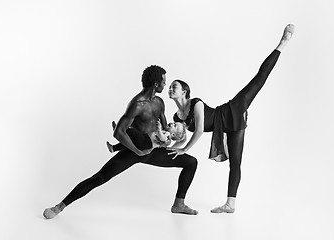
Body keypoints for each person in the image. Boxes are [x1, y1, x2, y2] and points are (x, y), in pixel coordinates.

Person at [167, 24, 295, 213]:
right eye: (170, 87)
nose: (170, 89)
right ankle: (230, 205)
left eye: (174, 86)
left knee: (258, 79)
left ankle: (282, 43)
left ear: (184, 91)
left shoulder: (196, 103)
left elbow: (200, 130)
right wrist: (173, 145)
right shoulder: (176, 116)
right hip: (229, 128)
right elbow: (180, 136)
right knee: (234, 163)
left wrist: (185, 148)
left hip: (232, 111)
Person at [43, 65, 199, 219]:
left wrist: (170, 139)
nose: (166, 85)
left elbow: (165, 127)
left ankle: (179, 204)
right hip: (135, 150)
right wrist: (138, 152)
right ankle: (59, 207)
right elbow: (119, 132)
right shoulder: (137, 104)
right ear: (156, 84)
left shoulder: (159, 102)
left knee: (191, 162)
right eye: (164, 82)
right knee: (100, 177)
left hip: (153, 149)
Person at [106, 120, 187, 153]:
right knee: (130, 141)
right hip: (145, 141)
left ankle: (119, 130)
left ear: (173, 134)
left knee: (133, 132)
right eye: (174, 122)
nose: (172, 123)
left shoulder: (167, 136)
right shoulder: (165, 132)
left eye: (175, 125)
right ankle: (113, 148)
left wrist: (159, 130)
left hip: (146, 142)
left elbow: (162, 139)